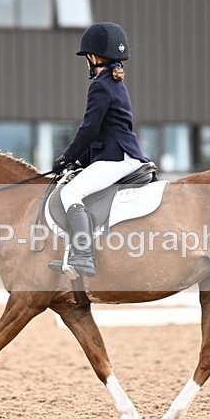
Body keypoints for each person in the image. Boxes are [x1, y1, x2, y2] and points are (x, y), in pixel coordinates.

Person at [49, 22, 151, 277]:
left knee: (71, 191)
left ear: (93, 57)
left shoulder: (100, 84)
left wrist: (66, 157)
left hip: (117, 158)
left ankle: (83, 256)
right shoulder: (114, 82)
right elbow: (104, 131)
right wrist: (80, 161)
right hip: (123, 154)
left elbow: (89, 129)